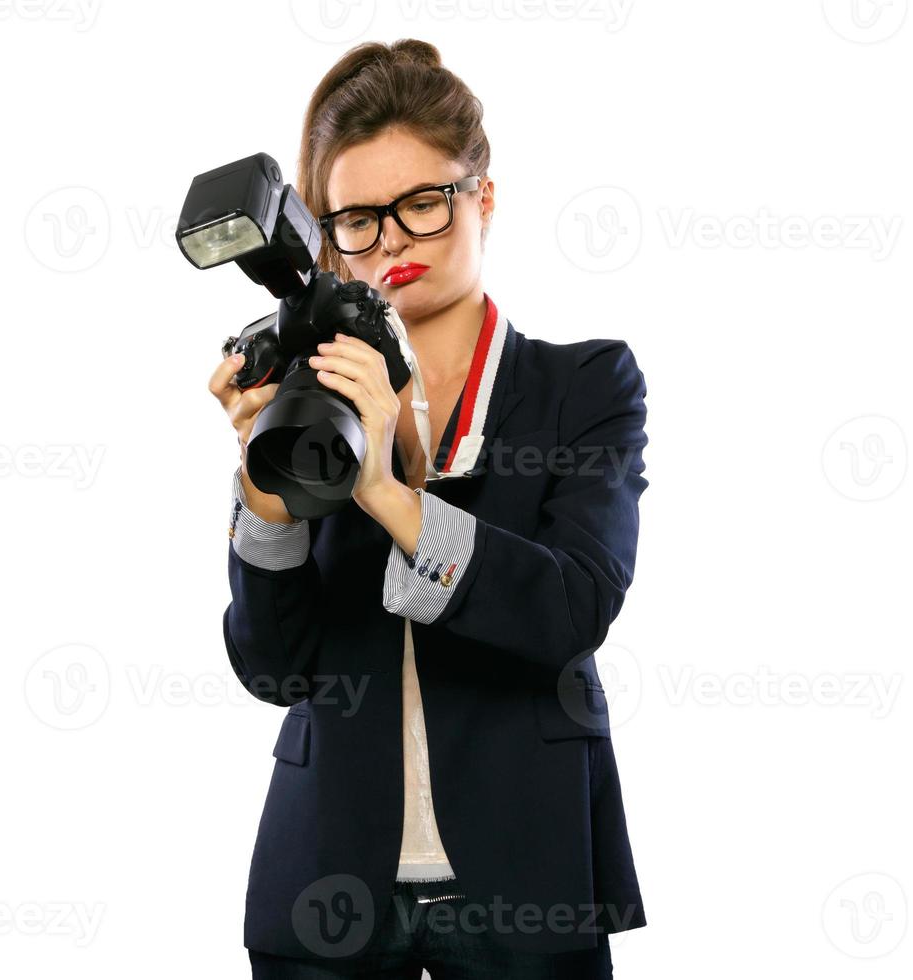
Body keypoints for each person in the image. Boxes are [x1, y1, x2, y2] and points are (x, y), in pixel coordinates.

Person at [208, 38, 649, 980]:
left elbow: (573, 610)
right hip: (324, 878)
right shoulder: (310, 394)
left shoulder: (583, 384)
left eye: (422, 203)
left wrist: (381, 491)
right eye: (357, 221)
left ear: (483, 194)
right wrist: (267, 489)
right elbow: (273, 669)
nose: (393, 240)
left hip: (528, 873)